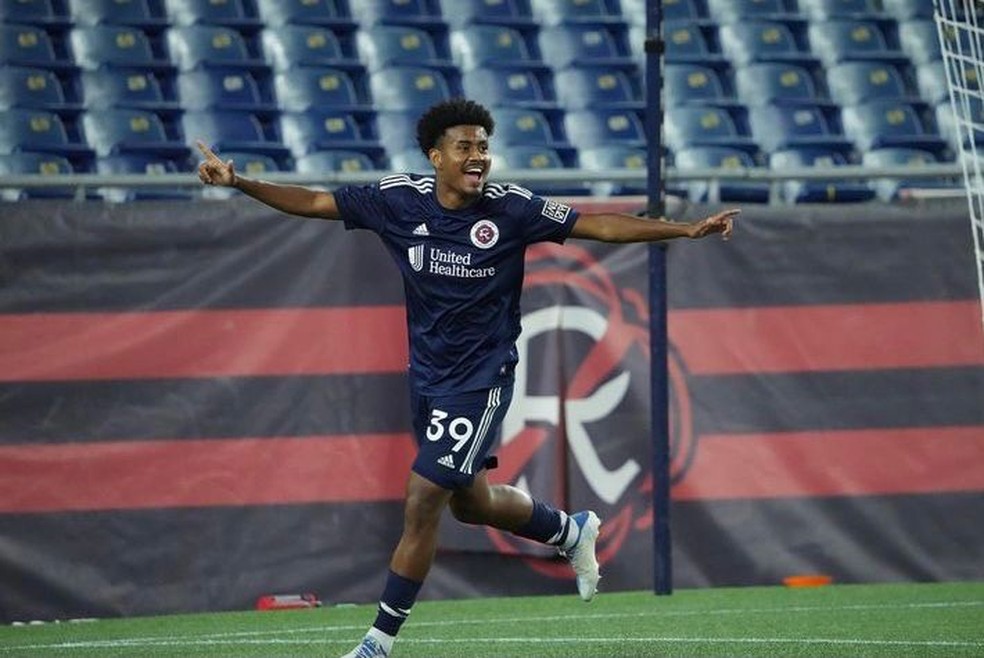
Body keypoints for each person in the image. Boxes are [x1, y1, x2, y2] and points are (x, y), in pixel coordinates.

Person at [197, 98, 737, 658]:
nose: (478, 156)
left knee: (423, 496)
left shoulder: (512, 209)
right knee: (470, 504)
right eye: (465, 147)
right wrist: (240, 183)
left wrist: (684, 229)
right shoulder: (397, 200)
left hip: (482, 377)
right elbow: (314, 202)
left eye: (483, 146)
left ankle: (378, 642)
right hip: (427, 378)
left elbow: (596, 224)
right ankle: (568, 531)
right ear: (436, 157)